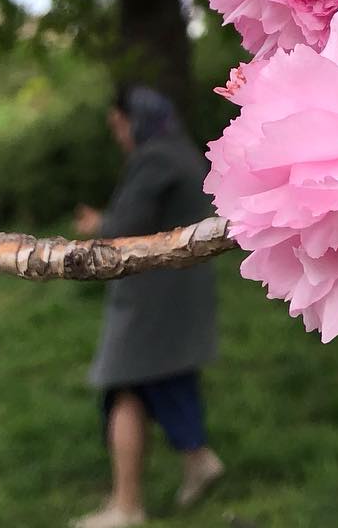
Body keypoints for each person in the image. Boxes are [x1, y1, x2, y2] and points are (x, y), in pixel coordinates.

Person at [72, 84, 224, 527]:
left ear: (133, 119)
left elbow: (124, 228)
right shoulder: (180, 150)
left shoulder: (154, 158)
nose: (119, 135)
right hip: (177, 293)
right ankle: (194, 462)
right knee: (155, 384)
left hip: (152, 301)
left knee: (123, 384)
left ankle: (127, 505)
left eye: (119, 125)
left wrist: (97, 224)